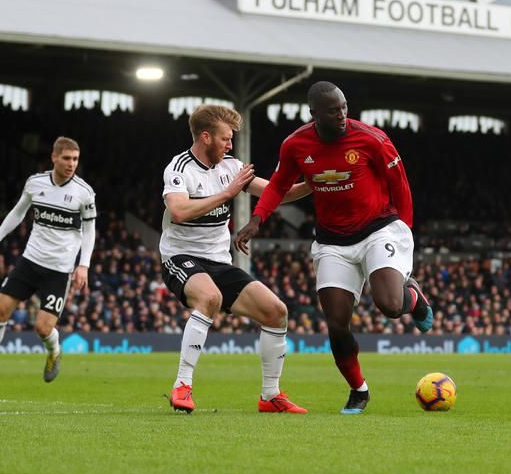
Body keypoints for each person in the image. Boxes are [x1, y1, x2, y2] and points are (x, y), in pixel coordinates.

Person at [236, 81, 432, 415]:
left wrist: (405, 232)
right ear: (314, 113)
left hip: (378, 229)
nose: (341, 115)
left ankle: (411, 296)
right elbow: (279, 184)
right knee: (337, 323)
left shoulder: (372, 139)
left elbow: (400, 184)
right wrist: (257, 219)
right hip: (331, 241)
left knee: (389, 304)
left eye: (344, 107)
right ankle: (359, 390)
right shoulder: (296, 145)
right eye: (333, 110)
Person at [161, 104, 312, 414]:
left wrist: (315, 182)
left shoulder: (231, 167)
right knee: (210, 297)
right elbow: (178, 212)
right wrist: (227, 194)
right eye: (225, 139)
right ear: (205, 137)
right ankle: (182, 386)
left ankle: (270, 396)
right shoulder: (179, 169)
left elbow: (276, 193)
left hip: (219, 262)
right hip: (181, 256)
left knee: (275, 311)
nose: (230, 145)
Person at [0, 137, 96, 390]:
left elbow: (90, 230)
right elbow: (18, 212)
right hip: (30, 261)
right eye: (66, 158)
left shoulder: (84, 193)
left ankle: (54, 351)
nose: (71, 164)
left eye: (75, 159)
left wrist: (83, 264)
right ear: (54, 157)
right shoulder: (36, 183)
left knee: (43, 328)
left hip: (59, 269)